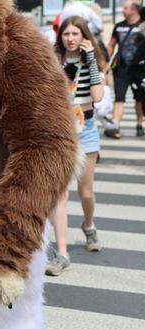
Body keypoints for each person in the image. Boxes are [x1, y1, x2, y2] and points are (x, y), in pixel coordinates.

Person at [47, 16, 105, 276]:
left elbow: (98, 96)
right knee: (59, 195)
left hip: (87, 132)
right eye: (66, 34)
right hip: (62, 132)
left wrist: (91, 59)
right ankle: (62, 253)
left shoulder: (92, 62)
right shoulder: (54, 61)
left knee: (86, 193)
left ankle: (89, 225)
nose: (70, 38)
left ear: (84, 37)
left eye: (75, 33)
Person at [105, 0, 143, 138]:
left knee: (139, 98)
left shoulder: (142, 25)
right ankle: (115, 125)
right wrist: (105, 62)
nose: (122, 10)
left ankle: (139, 124)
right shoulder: (119, 26)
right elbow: (111, 44)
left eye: (126, 7)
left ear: (134, 10)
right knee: (119, 97)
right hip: (121, 68)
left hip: (139, 69)